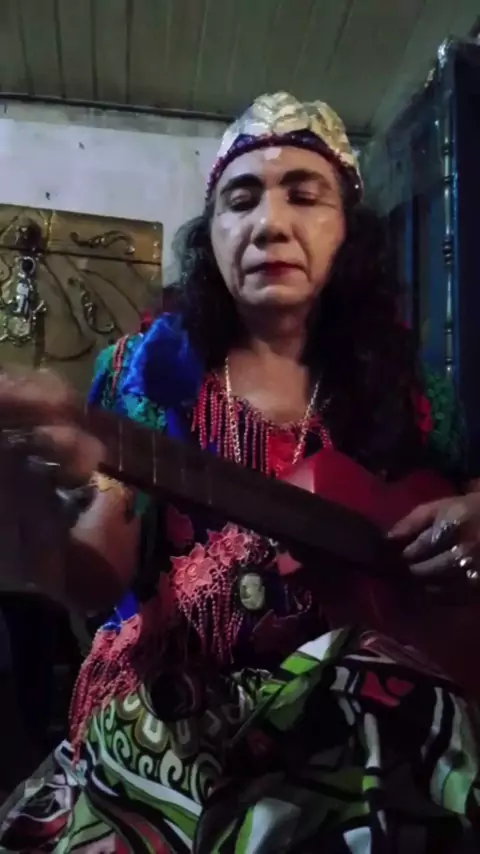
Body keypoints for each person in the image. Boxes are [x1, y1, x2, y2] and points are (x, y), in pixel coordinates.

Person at [0, 92, 480, 852]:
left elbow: (462, 500)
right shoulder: (144, 372)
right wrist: (43, 548)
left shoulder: (412, 391)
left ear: (348, 228)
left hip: (359, 713)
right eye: (241, 198)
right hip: (176, 716)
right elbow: (99, 567)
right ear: (212, 232)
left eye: (304, 194)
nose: (269, 224)